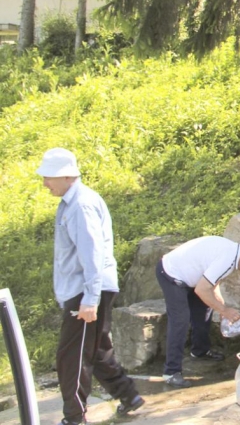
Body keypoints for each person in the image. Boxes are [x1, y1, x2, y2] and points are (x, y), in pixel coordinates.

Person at [37, 148, 144, 425]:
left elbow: (92, 253)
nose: (45, 183)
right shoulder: (73, 202)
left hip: (86, 290)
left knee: (70, 357)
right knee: (96, 349)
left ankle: (74, 418)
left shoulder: (81, 205)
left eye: (48, 177)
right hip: (89, 288)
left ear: (65, 176)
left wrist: (89, 299)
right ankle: (128, 394)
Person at [156, 235, 240, 388]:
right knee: (180, 320)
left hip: (192, 278)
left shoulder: (233, 254)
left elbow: (212, 283)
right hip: (172, 274)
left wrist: (220, 305)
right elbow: (202, 289)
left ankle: (200, 351)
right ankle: (171, 372)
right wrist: (225, 310)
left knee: (205, 309)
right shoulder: (228, 258)